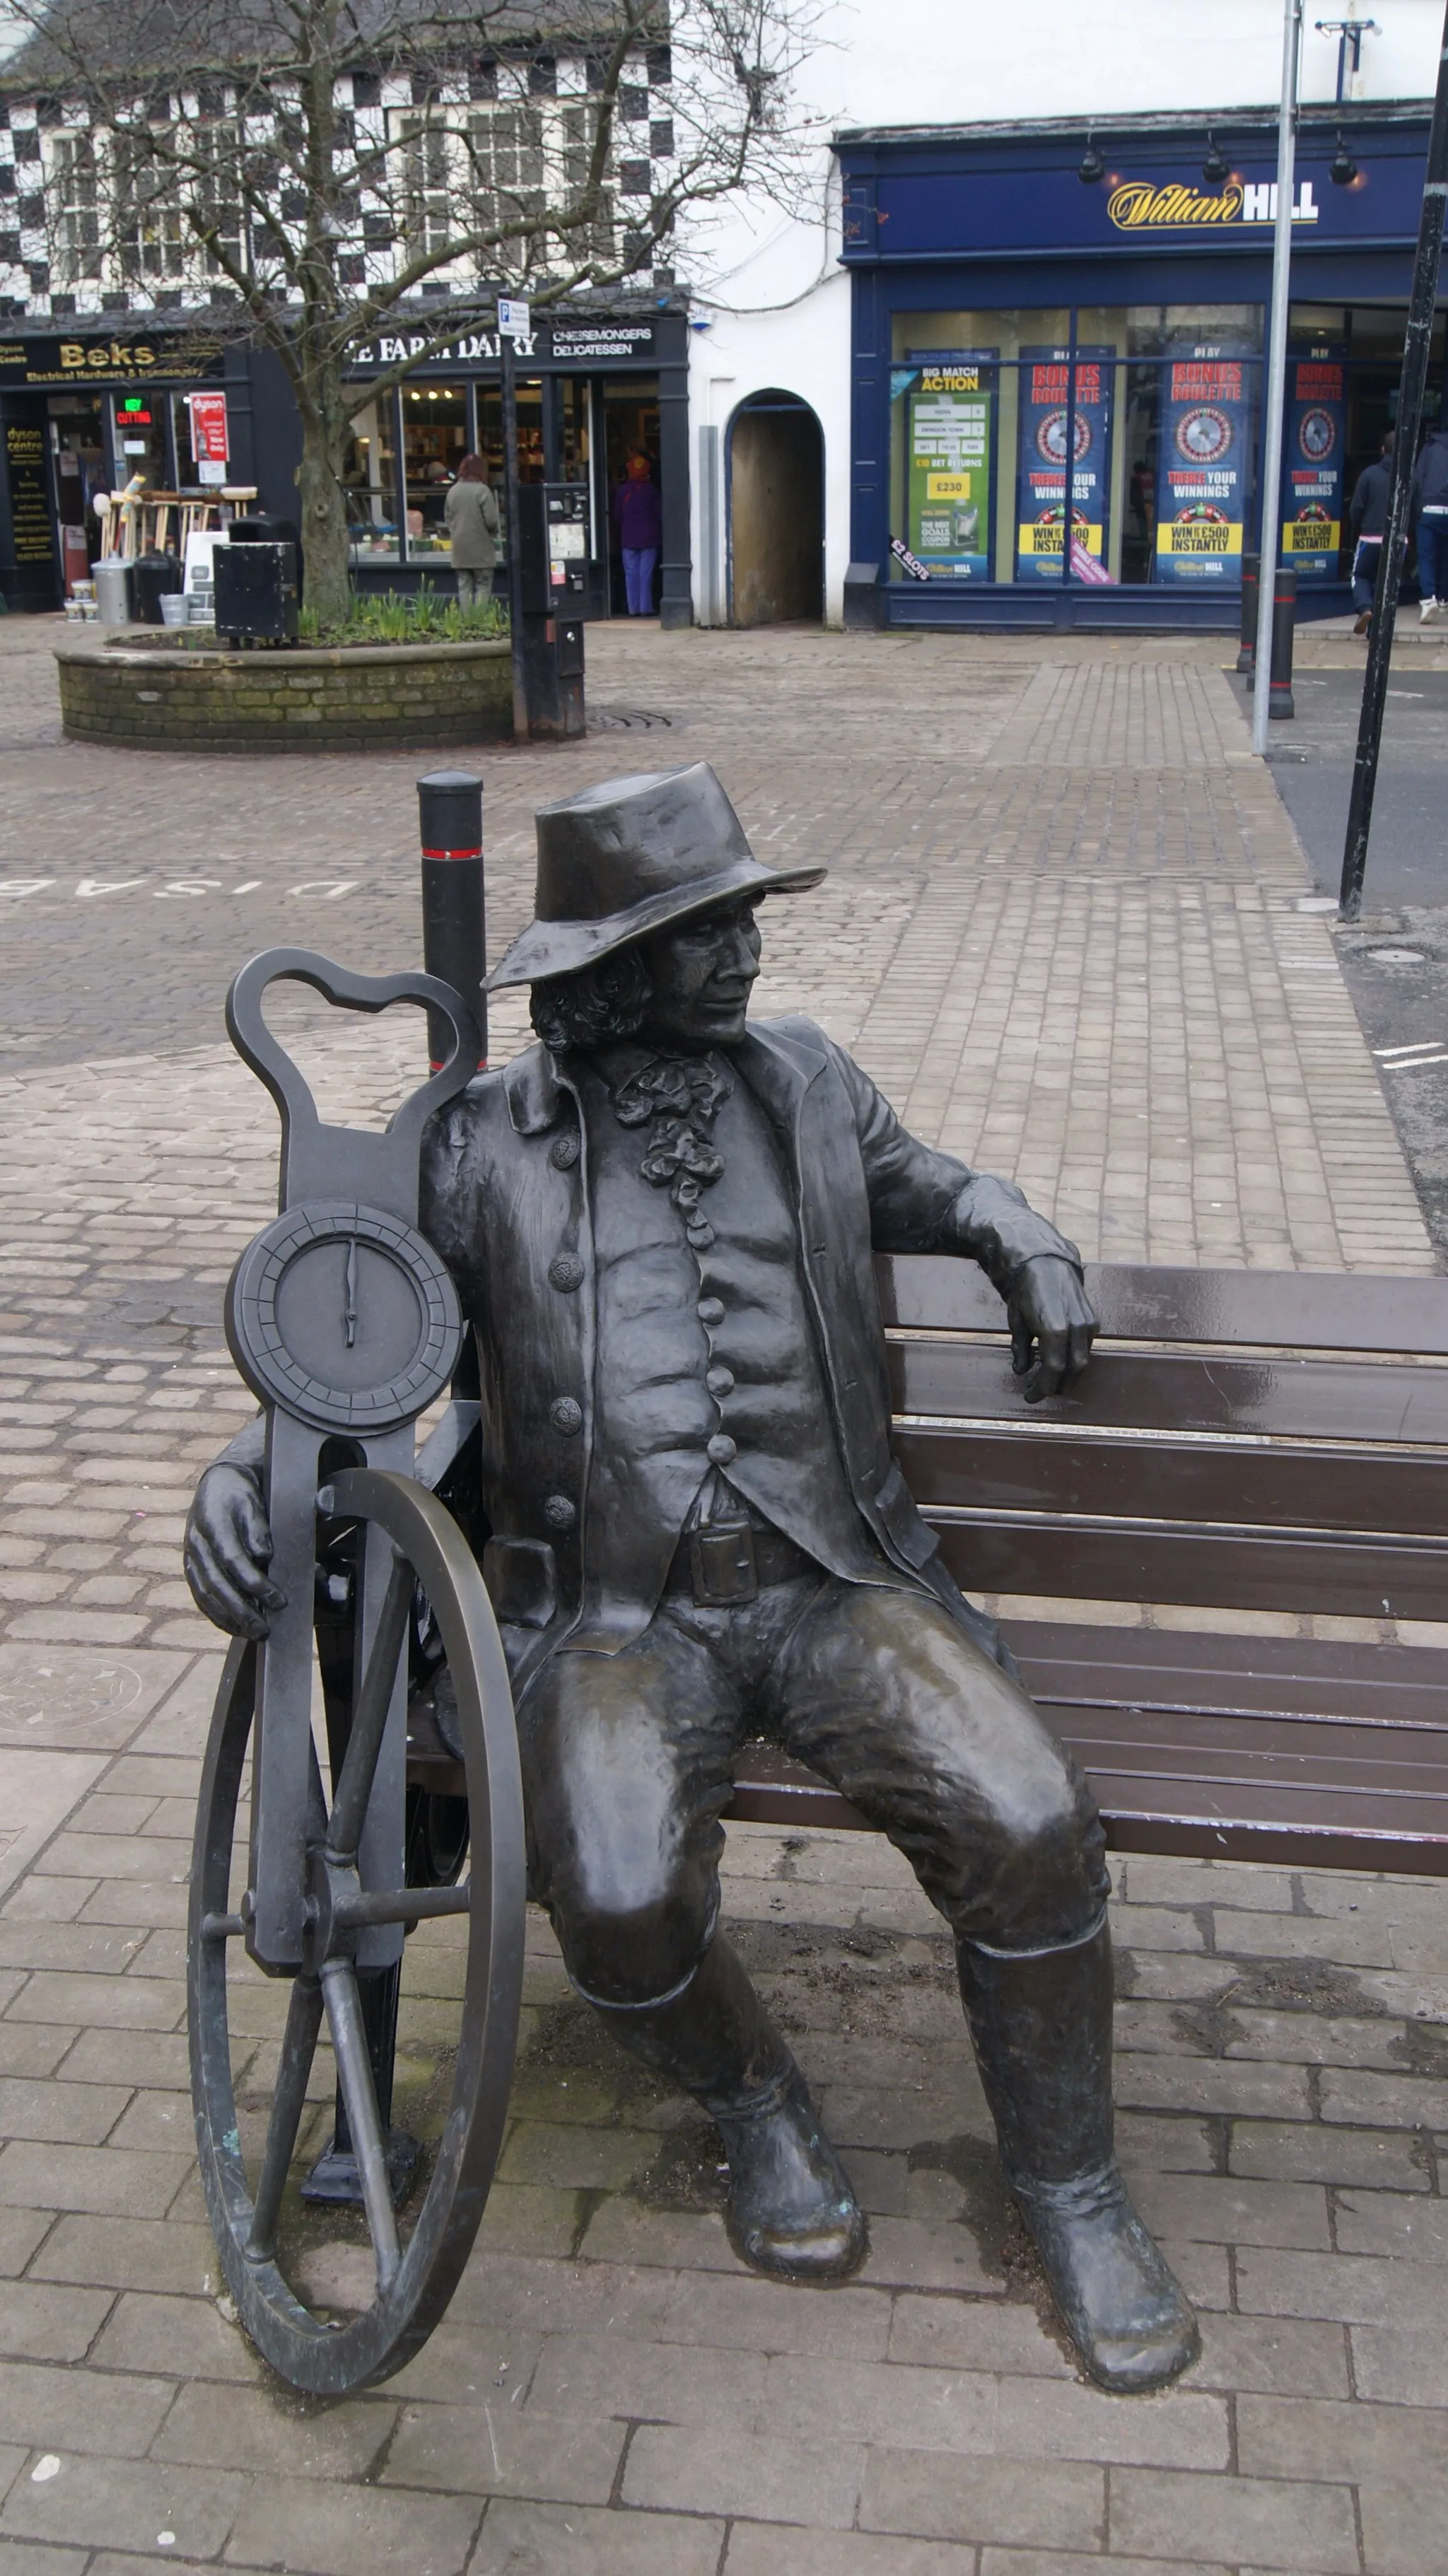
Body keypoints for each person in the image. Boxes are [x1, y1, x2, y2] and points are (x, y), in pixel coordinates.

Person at [184, 763, 1200, 2397]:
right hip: (610, 1618)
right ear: (610, 956)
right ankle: (753, 2102)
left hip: (833, 1582)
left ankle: (1072, 2191)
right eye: (703, 925)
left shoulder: (805, 1081)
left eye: (737, 917)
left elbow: (934, 1182)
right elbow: (361, 1354)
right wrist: (250, 1473)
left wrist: (1023, 1235)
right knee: (617, 1880)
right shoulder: (478, 1148)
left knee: (1027, 1817)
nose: (741, 949)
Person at [1348, 430, 1394, 636]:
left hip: (1370, 537)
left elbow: (1356, 508)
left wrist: (1361, 525)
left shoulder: (1368, 474)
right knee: (1385, 582)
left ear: (1383, 449)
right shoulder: (1406, 476)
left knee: (1360, 575)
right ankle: (1377, 630)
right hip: (1395, 540)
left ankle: (1365, 608)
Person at [444, 453, 500, 609]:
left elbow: (448, 519)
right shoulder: (483, 491)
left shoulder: (453, 491)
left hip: (459, 548)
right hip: (481, 548)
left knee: (464, 586)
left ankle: (468, 624)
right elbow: (491, 521)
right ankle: (480, 623)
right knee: (483, 585)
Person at [613, 452, 662, 615]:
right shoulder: (651, 491)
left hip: (628, 538)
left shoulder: (623, 491)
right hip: (649, 537)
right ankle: (645, 608)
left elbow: (617, 516)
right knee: (645, 574)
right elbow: (659, 514)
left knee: (630, 575)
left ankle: (633, 609)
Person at [1412, 418, 1448, 623]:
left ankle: (1429, 598)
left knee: (1426, 555)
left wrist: (1416, 509)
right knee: (1445, 554)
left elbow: (1418, 478)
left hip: (1429, 506)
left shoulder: (1430, 448)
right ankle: (1444, 598)